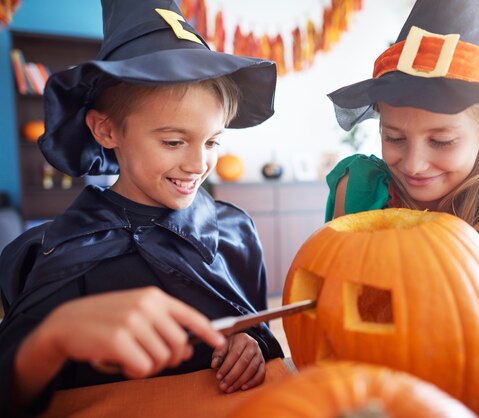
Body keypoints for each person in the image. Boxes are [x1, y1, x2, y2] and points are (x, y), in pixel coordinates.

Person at [0, 0, 284, 415]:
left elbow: (256, 327)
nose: (198, 163)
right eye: (173, 141)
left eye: (212, 141)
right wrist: (53, 337)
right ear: (106, 129)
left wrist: (250, 345)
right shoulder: (51, 252)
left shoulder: (234, 232)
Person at [325, 0, 479, 306]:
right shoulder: (359, 187)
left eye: (441, 141)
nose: (414, 164)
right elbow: (335, 297)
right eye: (394, 137)